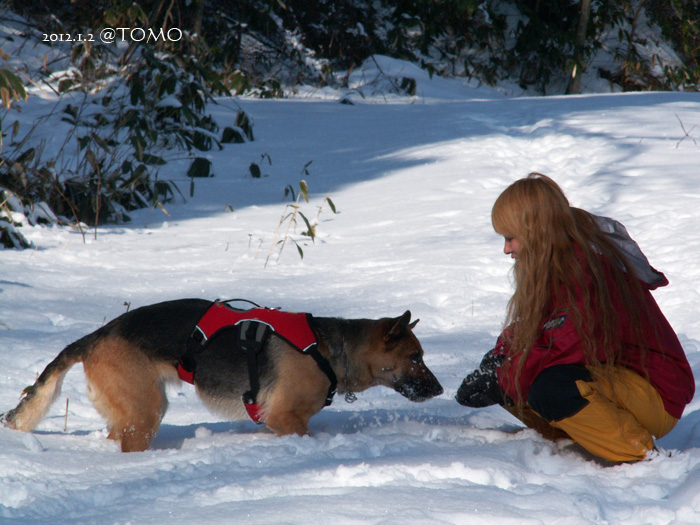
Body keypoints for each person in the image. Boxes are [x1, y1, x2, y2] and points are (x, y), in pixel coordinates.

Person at [456, 173, 695, 463]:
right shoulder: (555, 262)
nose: (506, 249)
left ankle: (642, 455)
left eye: (510, 238)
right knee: (511, 372)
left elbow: (571, 347)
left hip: (655, 394)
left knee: (547, 386)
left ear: (534, 232)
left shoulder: (585, 270)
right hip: (615, 378)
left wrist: (505, 378)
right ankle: (576, 443)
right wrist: (498, 360)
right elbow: (537, 329)